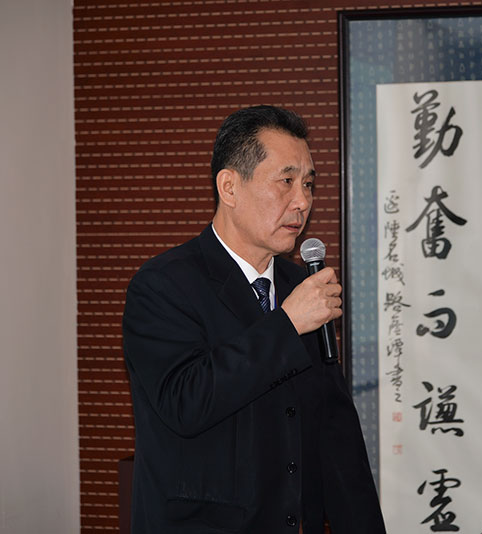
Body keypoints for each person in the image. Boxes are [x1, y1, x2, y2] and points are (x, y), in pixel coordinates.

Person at [122, 105, 386, 534]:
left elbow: (334, 431)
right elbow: (185, 402)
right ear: (229, 187)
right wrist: (287, 324)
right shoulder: (162, 285)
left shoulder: (299, 285)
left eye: (308, 184)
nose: (302, 202)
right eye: (286, 181)